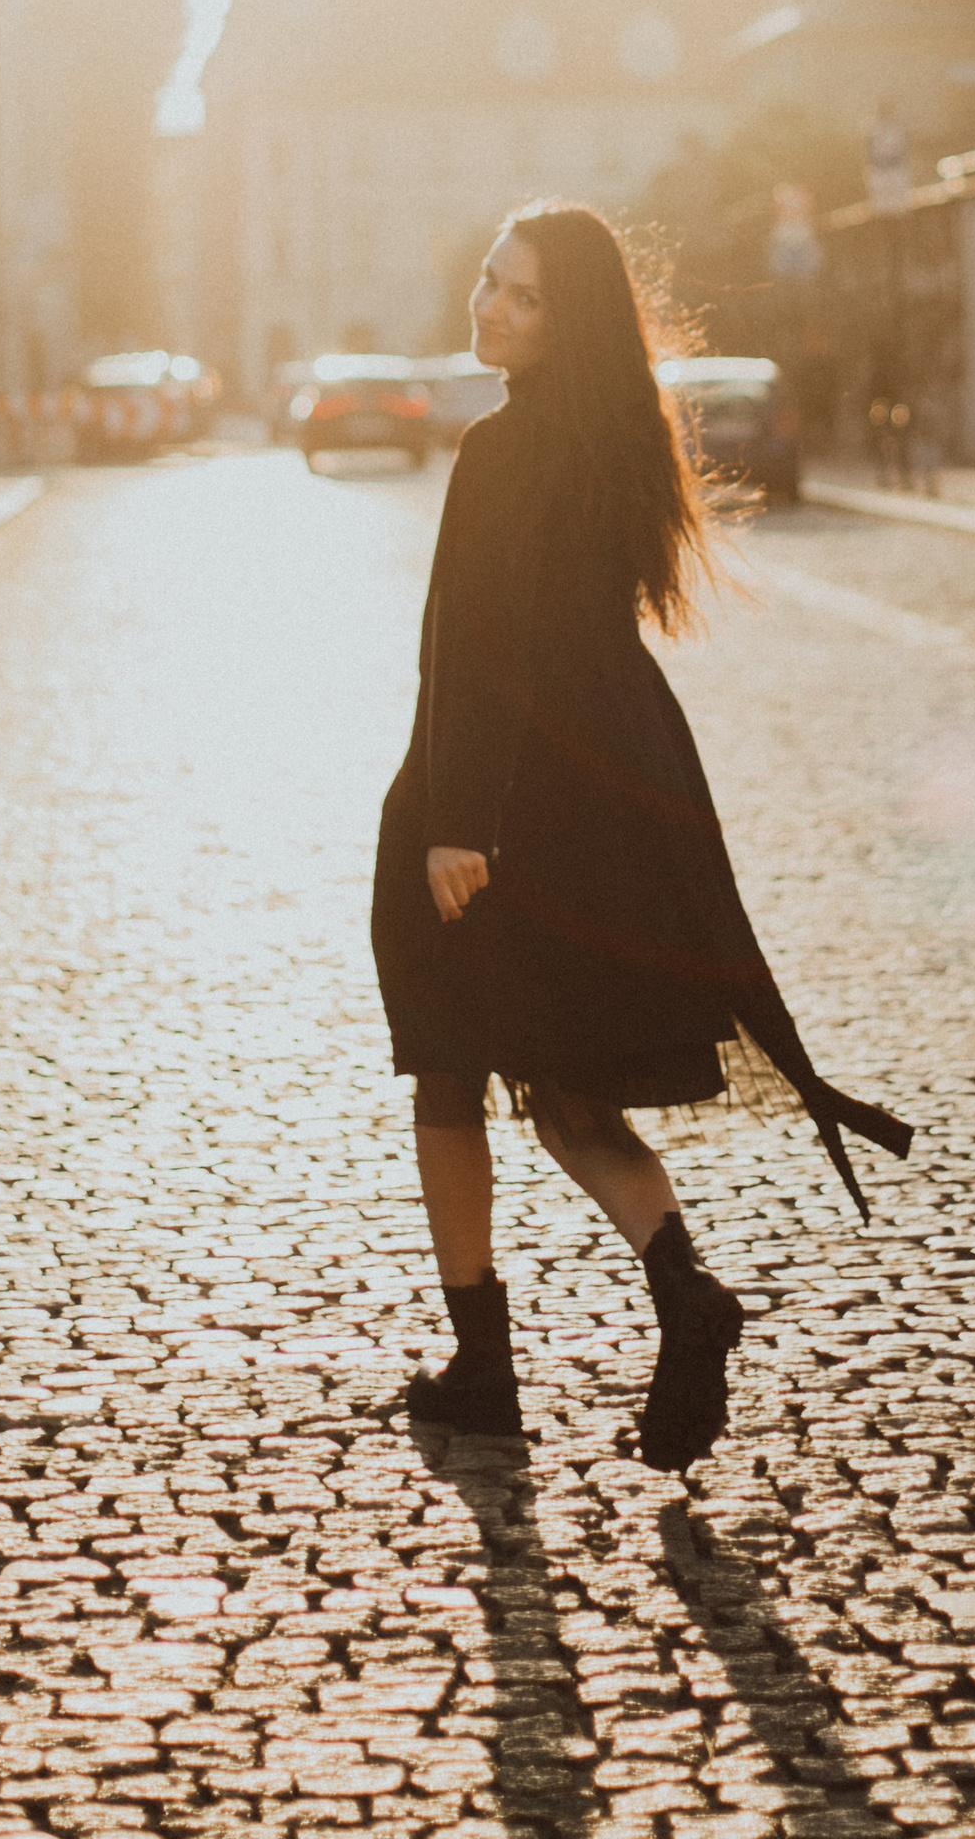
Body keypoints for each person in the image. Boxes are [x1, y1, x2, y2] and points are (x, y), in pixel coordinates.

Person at [372, 203, 912, 1470]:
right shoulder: (615, 438)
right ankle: (681, 1291)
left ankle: (487, 1368)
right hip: (600, 785)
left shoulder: (503, 449)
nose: (490, 307)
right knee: (561, 1087)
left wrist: (455, 825)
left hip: (494, 796)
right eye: (490, 280)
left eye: (523, 297)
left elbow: (479, 649)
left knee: (448, 1068)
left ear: (570, 325)